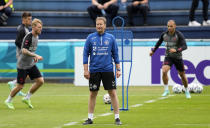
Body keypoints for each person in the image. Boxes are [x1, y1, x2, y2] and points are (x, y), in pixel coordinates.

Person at [83, 17, 122, 125]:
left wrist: (118, 69)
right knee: (92, 94)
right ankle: (90, 118)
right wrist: (86, 70)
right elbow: (85, 54)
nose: (99, 26)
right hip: (94, 70)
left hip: (108, 70)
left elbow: (115, 54)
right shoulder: (90, 38)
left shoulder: (111, 38)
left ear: (105, 25)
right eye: (97, 24)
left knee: (113, 93)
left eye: (101, 24)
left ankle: (117, 118)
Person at [4, 18, 44, 110]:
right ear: (33, 27)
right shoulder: (28, 37)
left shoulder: (37, 36)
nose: (41, 29)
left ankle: (27, 98)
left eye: (41, 27)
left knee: (40, 81)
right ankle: (8, 100)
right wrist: (35, 55)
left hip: (31, 64)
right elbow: (24, 50)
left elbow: (30, 49)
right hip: (23, 66)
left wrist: (33, 57)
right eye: (39, 27)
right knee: (20, 86)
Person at [149, 20, 191, 99]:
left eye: (171, 26)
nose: (169, 28)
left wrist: (177, 50)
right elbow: (158, 43)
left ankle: (186, 90)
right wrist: (153, 51)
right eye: (168, 26)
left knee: (182, 75)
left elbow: (185, 46)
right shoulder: (164, 35)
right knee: (164, 71)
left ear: (175, 26)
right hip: (168, 56)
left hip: (177, 57)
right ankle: (166, 90)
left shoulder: (179, 35)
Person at [7, 12, 32, 97]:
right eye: (29, 19)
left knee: (26, 74)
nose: (30, 21)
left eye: (30, 19)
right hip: (22, 55)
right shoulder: (22, 29)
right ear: (24, 19)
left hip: (23, 55)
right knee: (27, 74)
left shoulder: (24, 28)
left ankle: (15, 85)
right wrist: (24, 50)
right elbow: (17, 41)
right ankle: (14, 85)